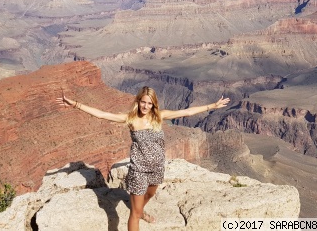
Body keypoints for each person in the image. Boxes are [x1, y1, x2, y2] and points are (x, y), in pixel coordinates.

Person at [56, 86, 230, 231]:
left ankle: (140, 209)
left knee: (151, 193)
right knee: (134, 215)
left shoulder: (159, 117)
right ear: (138, 101)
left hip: (157, 167)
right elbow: (102, 114)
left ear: (153, 104)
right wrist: (76, 104)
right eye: (143, 102)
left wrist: (212, 106)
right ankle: (139, 212)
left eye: (149, 103)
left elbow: (188, 112)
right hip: (138, 170)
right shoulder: (130, 119)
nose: (145, 106)